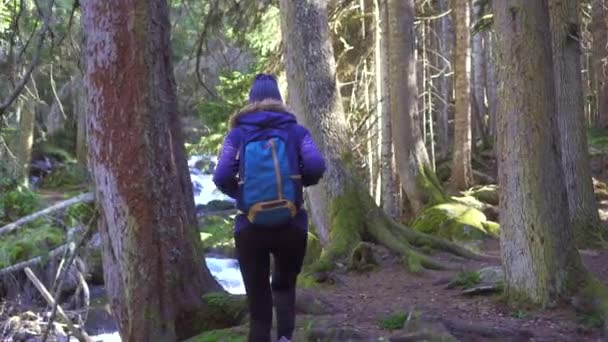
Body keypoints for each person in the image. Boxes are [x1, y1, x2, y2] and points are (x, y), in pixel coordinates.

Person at [213, 73, 326, 342]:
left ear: (251, 100)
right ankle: (285, 337)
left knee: (258, 300)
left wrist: (242, 195)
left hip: (249, 226)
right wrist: (298, 186)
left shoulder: (237, 134)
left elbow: (220, 176)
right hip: (291, 222)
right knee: (285, 287)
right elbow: (316, 166)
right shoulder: (296, 131)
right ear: (278, 99)